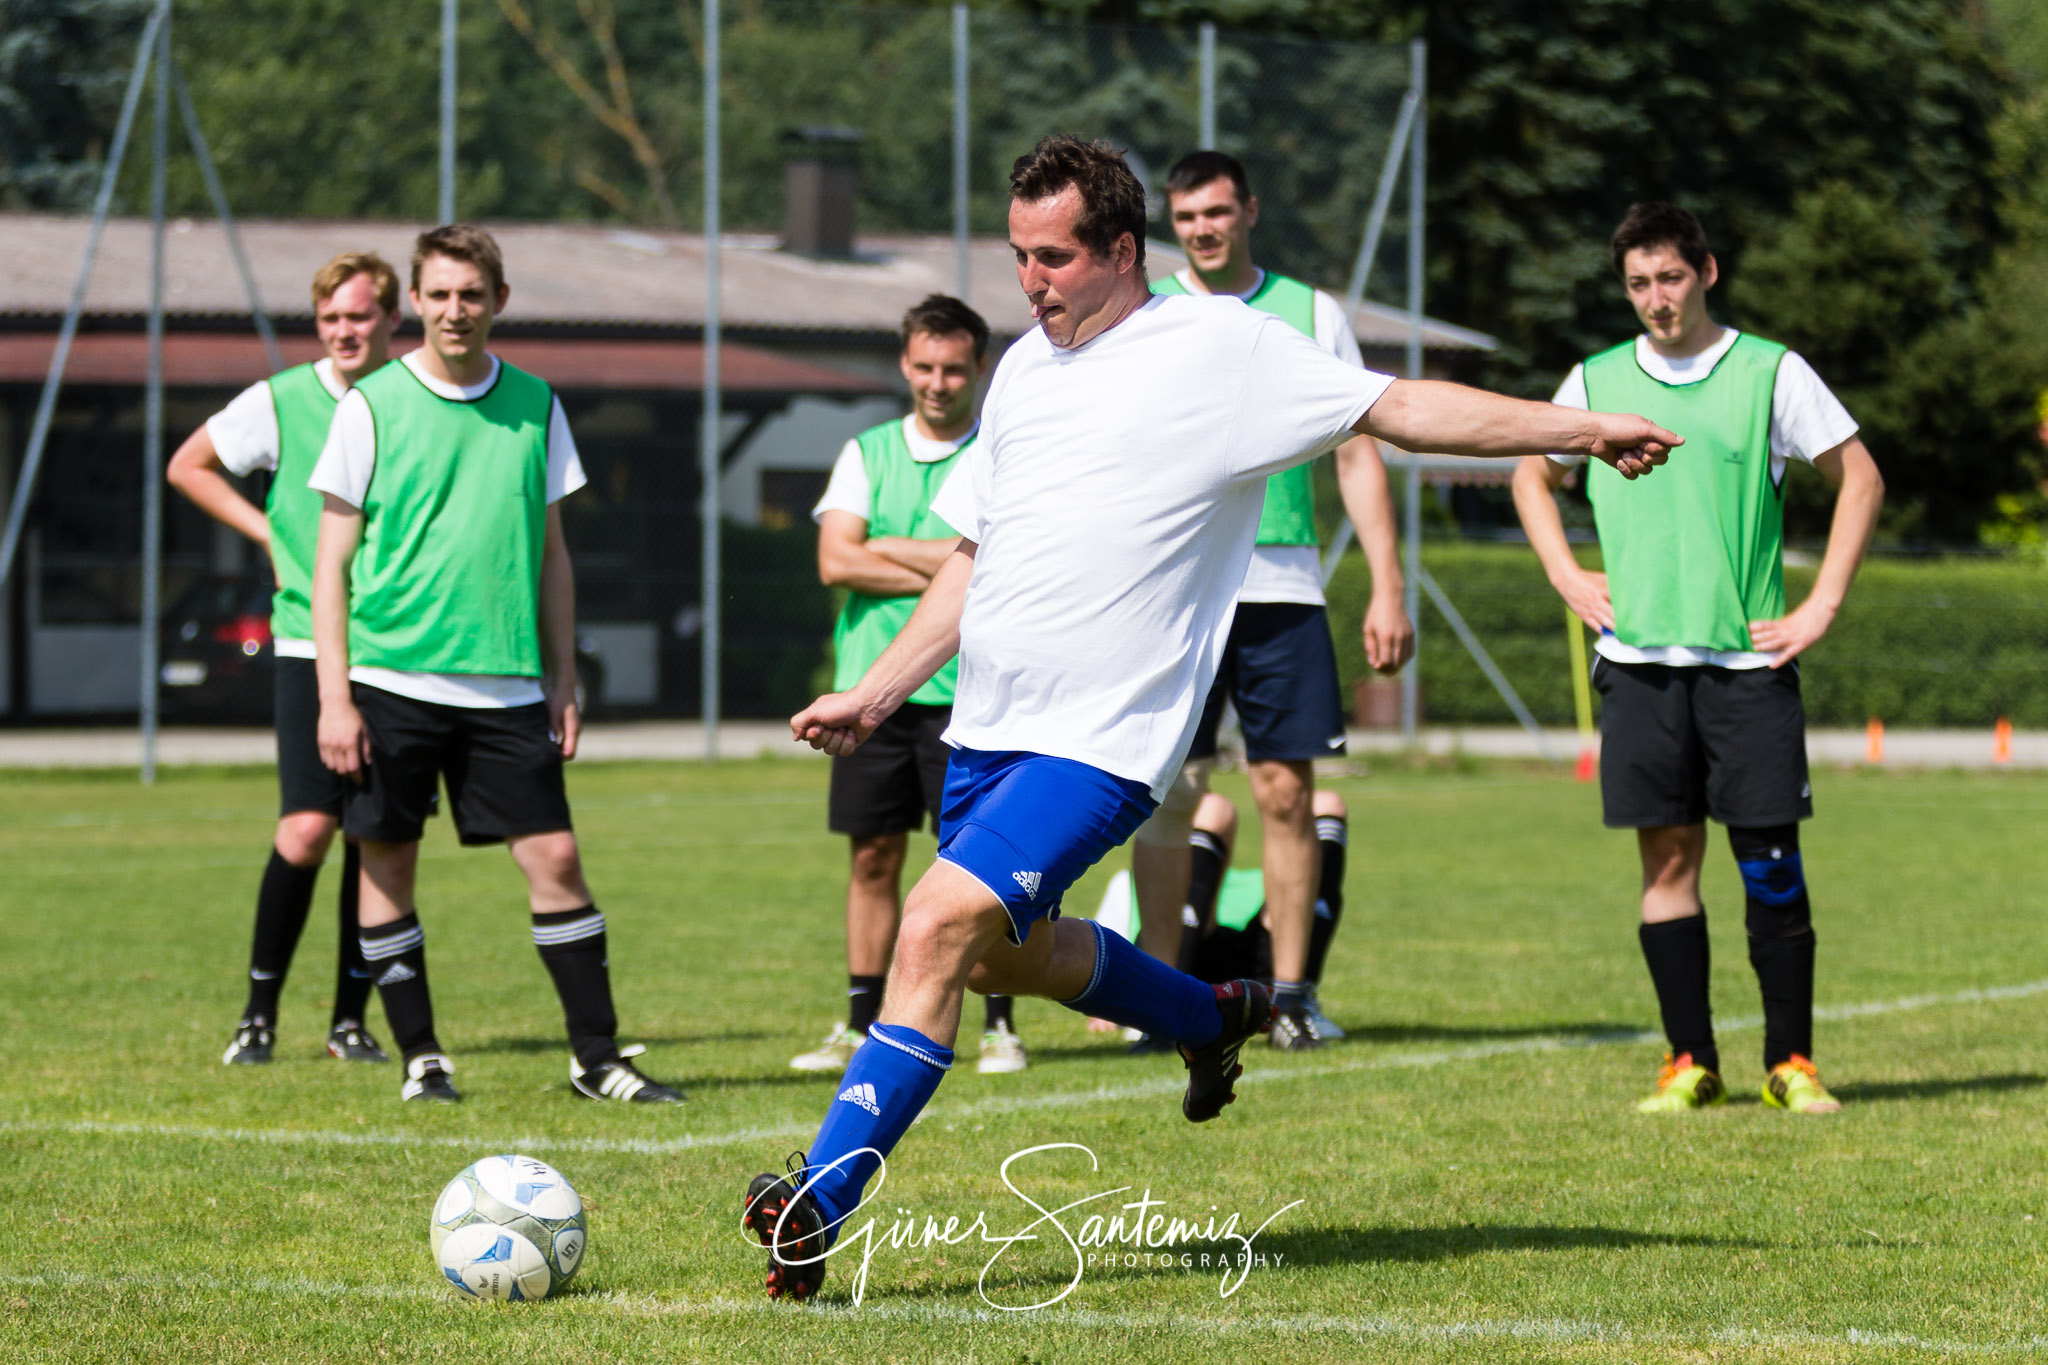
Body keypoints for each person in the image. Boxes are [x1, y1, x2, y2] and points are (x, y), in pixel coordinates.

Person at [740, 134, 1677, 1302]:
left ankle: (813, 1203)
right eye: (1019, 257)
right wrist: (878, 694)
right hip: (985, 726)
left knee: (931, 928)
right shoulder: (1027, 372)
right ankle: (1207, 1013)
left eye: (1053, 258)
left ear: (1120, 250)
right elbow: (972, 562)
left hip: (1103, 740)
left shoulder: (1221, 350)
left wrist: (1578, 429)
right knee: (997, 959)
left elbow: (1401, 408)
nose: (1029, 283)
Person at [1510, 202, 1883, 1116]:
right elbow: (1529, 469)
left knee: (1769, 864)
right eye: (1638, 283)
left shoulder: (1769, 372)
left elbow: (1860, 477)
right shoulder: (1595, 380)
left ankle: (1791, 1061)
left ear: (1706, 272)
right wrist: (1566, 571)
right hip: (1638, 664)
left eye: (1669, 278)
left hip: (1748, 669)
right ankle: (1689, 1061)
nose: (1655, 300)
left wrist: (1820, 604)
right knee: (1667, 866)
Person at [308, 224, 680, 1106]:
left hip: (509, 686)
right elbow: (331, 565)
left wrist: (563, 680)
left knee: (555, 858)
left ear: (498, 301)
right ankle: (421, 1056)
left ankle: (597, 1058)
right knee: (386, 863)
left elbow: (553, 554)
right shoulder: (369, 407)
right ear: (416, 305)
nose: (454, 310)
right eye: (437, 294)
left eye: (470, 293)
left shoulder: (536, 404)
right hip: (391, 681)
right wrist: (335, 697)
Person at [1122, 149, 1412, 1051]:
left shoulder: (1311, 313)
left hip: (1283, 589)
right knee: (1165, 793)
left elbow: (1359, 449)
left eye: (1217, 211)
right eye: (1188, 216)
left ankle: (1292, 996)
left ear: (1249, 209)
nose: (1204, 228)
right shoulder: (1150, 311)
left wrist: (1388, 585)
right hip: (1178, 587)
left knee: (1286, 790)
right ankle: (1156, 1000)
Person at [166, 251, 402, 1068]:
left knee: (373, 837)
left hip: (397, 652)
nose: (345, 330)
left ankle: (349, 1020)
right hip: (308, 640)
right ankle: (258, 1013)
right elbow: (186, 464)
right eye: (331, 317)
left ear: (390, 322)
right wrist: (268, 530)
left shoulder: (411, 402)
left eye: (360, 315)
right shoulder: (283, 400)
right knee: (306, 829)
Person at [793, 294, 1028, 1078]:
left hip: (975, 696)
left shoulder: (1002, 452)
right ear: (904, 364)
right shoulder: (866, 451)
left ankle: (1001, 1025)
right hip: (875, 694)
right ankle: (860, 1018)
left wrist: (885, 547)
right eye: (924, 366)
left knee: (981, 867)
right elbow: (834, 561)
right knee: (872, 857)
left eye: (954, 368)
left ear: (979, 369)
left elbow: (1008, 565)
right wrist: (945, 559)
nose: (938, 382)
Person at [1092, 788, 1352, 994]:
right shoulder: (1137, 880)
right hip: (1189, 961)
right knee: (1213, 809)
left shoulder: (1268, 880)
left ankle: (1293, 998)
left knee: (1327, 803)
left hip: (1265, 959)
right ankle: (1159, 995)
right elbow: (1103, 942)